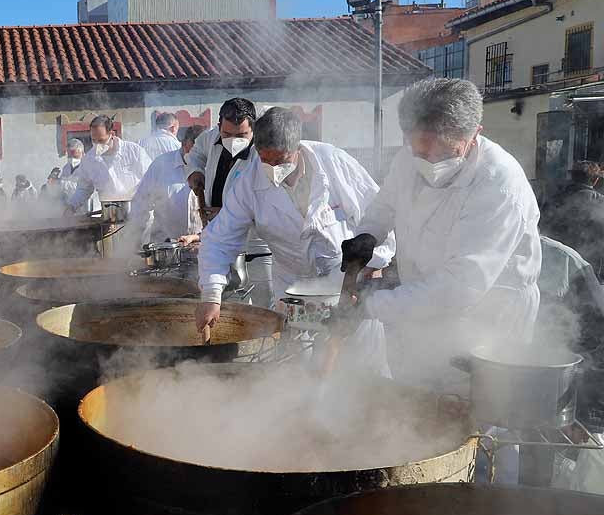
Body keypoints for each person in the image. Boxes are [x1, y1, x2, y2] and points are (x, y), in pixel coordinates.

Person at [343, 78, 541, 391]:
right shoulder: (410, 156)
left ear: (475, 133)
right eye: (418, 149)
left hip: (484, 318)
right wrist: (368, 235)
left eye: (443, 153)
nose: (427, 162)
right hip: (420, 301)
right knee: (415, 403)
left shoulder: (499, 187)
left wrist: (371, 304)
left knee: (476, 419)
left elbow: (459, 287)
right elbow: (386, 204)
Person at [195, 107, 393, 370]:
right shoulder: (248, 180)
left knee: (364, 374)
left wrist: (374, 265)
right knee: (297, 373)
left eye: (280, 160)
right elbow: (219, 239)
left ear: (297, 147)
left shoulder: (334, 162)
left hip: (347, 284)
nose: (272, 168)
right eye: (265, 160)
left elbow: (380, 213)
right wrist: (211, 295)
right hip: (293, 291)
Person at [180, 98, 274, 306]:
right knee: (226, 297)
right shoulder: (210, 138)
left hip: (257, 242)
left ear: (254, 129)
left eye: (241, 135)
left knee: (264, 300)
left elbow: (268, 201)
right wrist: (195, 172)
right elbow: (195, 155)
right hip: (221, 236)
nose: (233, 140)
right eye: (227, 134)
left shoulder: (265, 152)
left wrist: (225, 212)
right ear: (219, 126)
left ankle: (265, 337)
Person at [128, 125, 208, 246]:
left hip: (202, 245)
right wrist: (135, 241)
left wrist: (198, 237)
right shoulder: (161, 165)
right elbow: (141, 203)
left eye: (201, 153)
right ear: (184, 144)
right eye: (193, 151)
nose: (197, 158)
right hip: (165, 247)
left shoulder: (212, 165)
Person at [66, 115, 153, 213]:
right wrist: (71, 206)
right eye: (93, 140)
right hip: (111, 215)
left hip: (139, 213)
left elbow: (151, 179)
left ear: (111, 134)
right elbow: (83, 189)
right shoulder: (89, 160)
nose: (97, 144)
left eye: (101, 140)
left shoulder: (134, 151)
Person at [541, 160, 604, 273]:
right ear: (595, 180)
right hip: (589, 264)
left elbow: (543, 227)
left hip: (557, 261)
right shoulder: (601, 202)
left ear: (572, 177)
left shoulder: (555, 198)